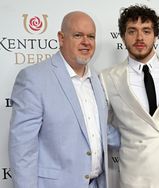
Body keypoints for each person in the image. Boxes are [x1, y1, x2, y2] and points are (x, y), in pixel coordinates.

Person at [9, 11, 119, 188]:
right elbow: (22, 150)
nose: (86, 42)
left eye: (91, 36)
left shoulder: (97, 79)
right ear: (61, 38)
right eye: (78, 35)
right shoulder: (34, 78)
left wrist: (141, 137)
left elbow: (102, 132)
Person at [99, 4, 159, 188]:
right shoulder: (107, 78)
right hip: (134, 177)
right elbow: (102, 125)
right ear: (123, 36)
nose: (139, 38)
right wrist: (129, 140)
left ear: (155, 35)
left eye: (146, 31)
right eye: (132, 31)